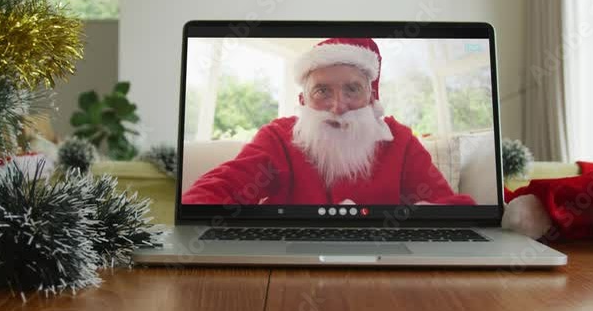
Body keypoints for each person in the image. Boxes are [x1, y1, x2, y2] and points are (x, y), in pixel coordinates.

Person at [182, 37, 476, 206]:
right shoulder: (277, 137)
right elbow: (210, 195)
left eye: (352, 89)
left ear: (372, 97)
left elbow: (447, 208)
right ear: (303, 101)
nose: (338, 107)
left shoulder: (400, 141)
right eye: (322, 91)